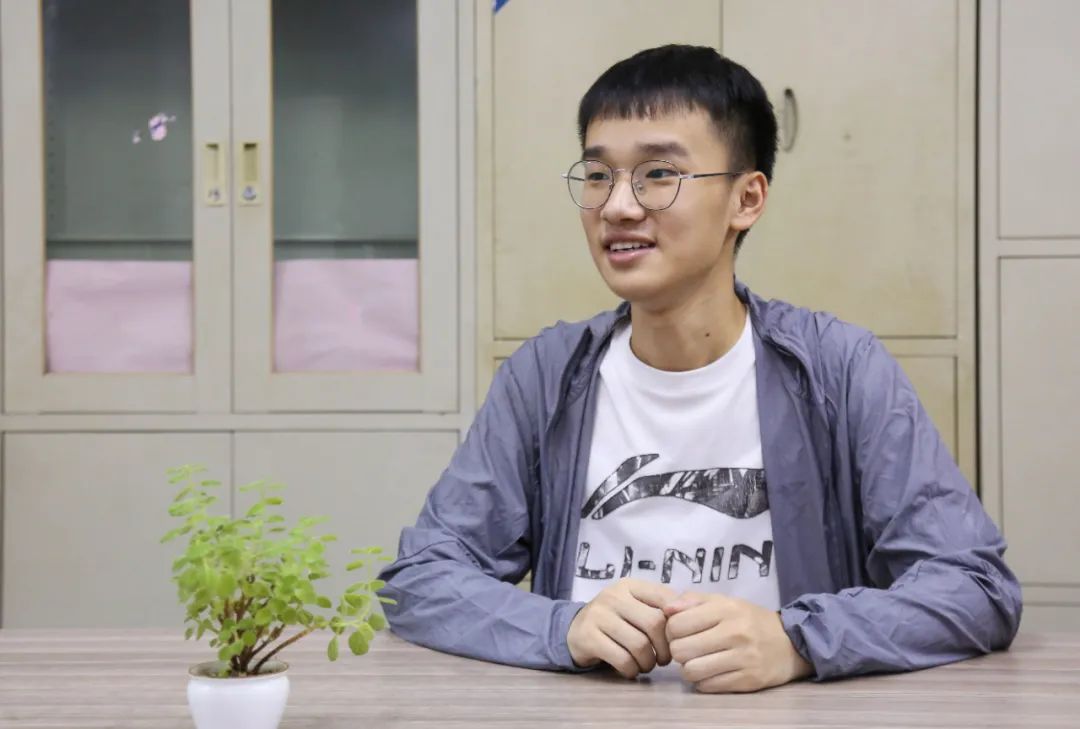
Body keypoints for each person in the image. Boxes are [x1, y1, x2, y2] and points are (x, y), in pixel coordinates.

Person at [379, 44, 1021, 693]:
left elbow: (974, 586)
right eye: (598, 175)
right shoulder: (545, 377)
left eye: (659, 173)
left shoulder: (840, 370)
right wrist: (562, 628)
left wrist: (797, 640)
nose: (618, 206)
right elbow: (421, 579)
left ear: (747, 198)